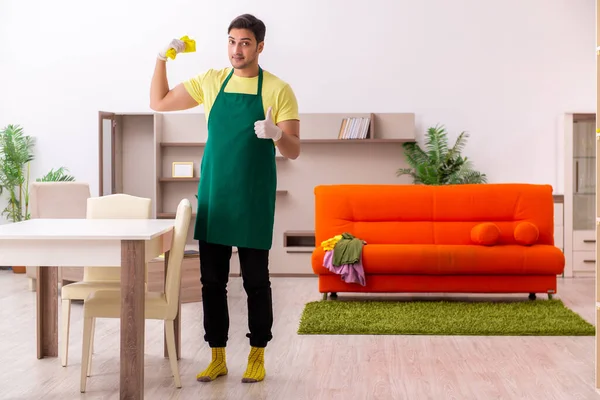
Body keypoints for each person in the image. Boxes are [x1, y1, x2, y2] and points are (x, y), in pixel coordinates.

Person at [149, 14, 300, 384]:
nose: (237, 49)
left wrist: (277, 133)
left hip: (252, 201)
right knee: (212, 283)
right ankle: (217, 356)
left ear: (260, 46)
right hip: (216, 198)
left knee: (255, 282)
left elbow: (295, 150)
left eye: (245, 42)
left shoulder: (278, 89)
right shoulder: (212, 81)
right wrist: (162, 58)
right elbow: (159, 101)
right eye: (232, 41)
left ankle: (257, 355)